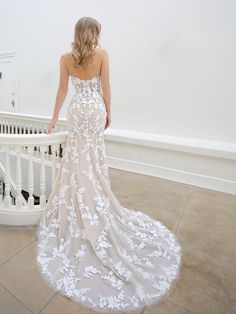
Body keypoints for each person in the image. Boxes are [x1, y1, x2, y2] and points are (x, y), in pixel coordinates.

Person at [36, 16, 182, 314]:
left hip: (77, 112)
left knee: (76, 161)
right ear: (94, 33)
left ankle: (79, 206)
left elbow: (63, 92)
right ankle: (95, 201)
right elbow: (107, 86)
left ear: (76, 34)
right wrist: (109, 113)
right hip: (94, 111)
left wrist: (53, 119)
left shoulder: (66, 57)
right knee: (92, 161)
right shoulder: (102, 54)